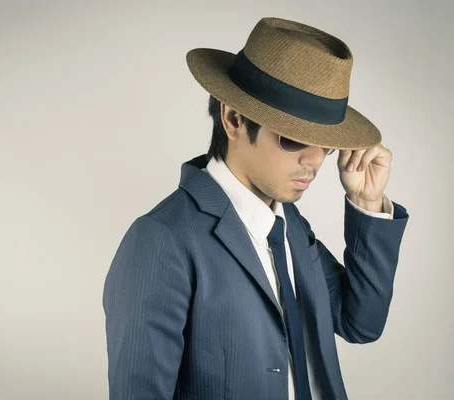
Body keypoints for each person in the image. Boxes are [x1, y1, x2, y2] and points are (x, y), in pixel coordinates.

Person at [102, 16, 409, 400]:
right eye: (294, 139)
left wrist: (365, 202)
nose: (315, 161)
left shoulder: (289, 225)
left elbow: (359, 323)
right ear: (233, 118)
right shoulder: (160, 239)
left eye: (327, 144)